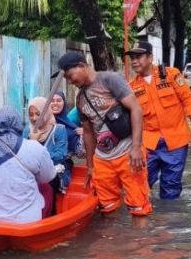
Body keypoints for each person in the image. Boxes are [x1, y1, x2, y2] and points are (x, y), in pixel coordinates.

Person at [57, 52, 152, 216]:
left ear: (81, 66)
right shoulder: (80, 99)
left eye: (70, 76)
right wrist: (90, 165)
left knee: (139, 208)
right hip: (102, 159)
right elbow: (88, 132)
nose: (70, 81)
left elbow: (136, 108)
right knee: (106, 208)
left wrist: (136, 147)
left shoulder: (110, 80)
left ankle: (141, 240)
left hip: (127, 152)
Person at [127, 41, 191, 199]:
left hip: (176, 142)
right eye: (132, 57)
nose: (134, 61)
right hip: (148, 144)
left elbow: (188, 101)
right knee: (140, 184)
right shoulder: (131, 87)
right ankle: (143, 219)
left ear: (150, 57)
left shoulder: (171, 75)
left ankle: (170, 220)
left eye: (138, 56)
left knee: (171, 187)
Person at [0, 106, 56, 223]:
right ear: (19, 126)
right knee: (47, 188)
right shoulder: (34, 147)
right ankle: (45, 226)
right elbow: (49, 176)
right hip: (23, 221)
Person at [22, 97, 69, 216]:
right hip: (32, 170)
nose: (34, 118)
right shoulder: (27, 131)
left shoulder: (59, 130)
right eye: (31, 115)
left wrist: (35, 145)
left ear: (46, 112)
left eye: (38, 114)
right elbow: (21, 155)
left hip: (56, 170)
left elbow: (61, 155)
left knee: (48, 182)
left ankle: (51, 213)